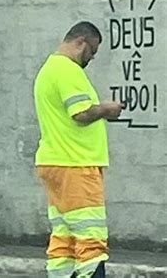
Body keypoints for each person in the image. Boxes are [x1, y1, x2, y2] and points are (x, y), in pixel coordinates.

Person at [33, 21, 124, 278]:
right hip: (76, 164)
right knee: (90, 240)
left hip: (55, 163)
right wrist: (107, 109)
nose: (92, 58)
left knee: (64, 240)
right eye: (91, 51)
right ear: (80, 42)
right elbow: (80, 112)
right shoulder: (67, 70)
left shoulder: (48, 70)